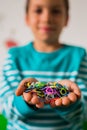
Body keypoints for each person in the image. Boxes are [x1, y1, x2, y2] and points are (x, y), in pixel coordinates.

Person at [0, 0, 87, 129]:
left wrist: (70, 104)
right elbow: (6, 110)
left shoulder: (79, 56)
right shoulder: (14, 57)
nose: (46, 18)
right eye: (38, 10)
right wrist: (25, 100)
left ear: (66, 19)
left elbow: (83, 115)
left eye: (56, 11)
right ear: (27, 18)